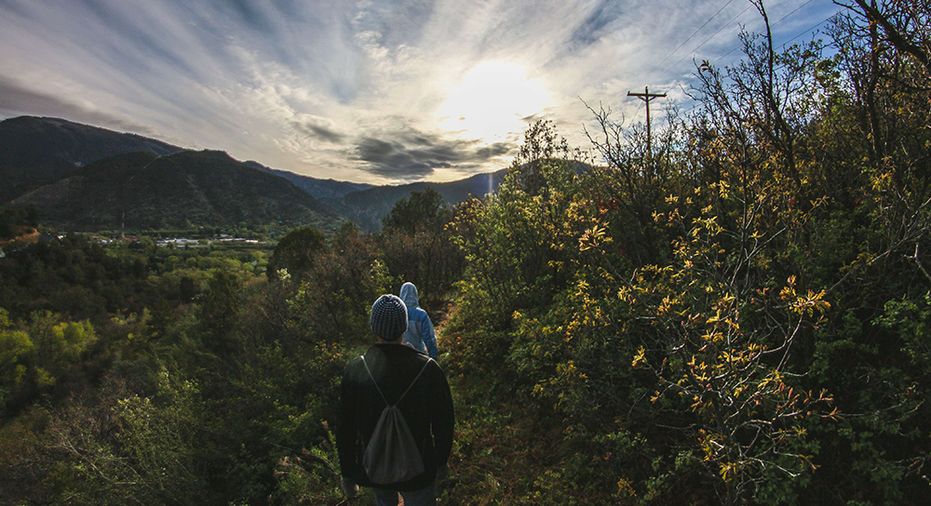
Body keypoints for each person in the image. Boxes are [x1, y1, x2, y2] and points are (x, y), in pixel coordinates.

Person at [337, 294, 455, 506]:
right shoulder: (428, 369)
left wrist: (348, 473)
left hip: (376, 469)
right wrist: (441, 461)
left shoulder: (357, 370)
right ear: (404, 326)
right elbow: (443, 421)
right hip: (420, 470)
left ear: (373, 326)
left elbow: (345, 428)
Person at [399, 282, 438, 359]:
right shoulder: (421, 314)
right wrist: (433, 358)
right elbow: (430, 338)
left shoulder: (397, 313)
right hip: (419, 356)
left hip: (400, 356)